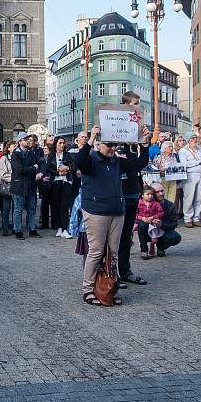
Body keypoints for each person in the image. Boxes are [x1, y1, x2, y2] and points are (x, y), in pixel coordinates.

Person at [78, 124, 151, 306]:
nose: (111, 148)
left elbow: (140, 163)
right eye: (108, 145)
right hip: (96, 211)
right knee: (96, 251)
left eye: (114, 145)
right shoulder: (92, 160)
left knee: (113, 253)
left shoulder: (116, 161)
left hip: (116, 210)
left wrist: (144, 143)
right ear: (99, 144)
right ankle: (88, 289)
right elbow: (80, 161)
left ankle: (109, 286)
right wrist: (91, 139)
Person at [10, 132, 41, 240]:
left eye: (28, 139)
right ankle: (17, 230)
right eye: (25, 139)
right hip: (19, 186)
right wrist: (33, 168)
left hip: (30, 185)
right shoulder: (15, 154)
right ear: (20, 142)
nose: (28, 140)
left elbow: (39, 163)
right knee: (18, 209)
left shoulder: (30, 153)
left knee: (32, 209)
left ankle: (32, 229)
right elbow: (20, 170)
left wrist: (39, 171)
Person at [47, 137, 75, 238]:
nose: (62, 145)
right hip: (55, 181)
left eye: (63, 143)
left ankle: (64, 229)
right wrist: (58, 172)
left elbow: (73, 166)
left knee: (64, 205)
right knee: (56, 205)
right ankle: (59, 227)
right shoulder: (51, 155)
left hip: (66, 181)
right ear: (56, 144)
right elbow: (48, 168)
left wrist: (67, 168)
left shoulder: (68, 155)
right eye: (60, 143)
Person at [178, 132, 201, 227]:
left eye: (195, 138)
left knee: (199, 198)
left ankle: (196, 218)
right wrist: (197, 162)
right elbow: (184, 164)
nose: (194, 140)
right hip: (190, 175)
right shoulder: (183, 151)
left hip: (200, 175)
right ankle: (187, 218)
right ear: (188, 140)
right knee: (189, 198)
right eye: (192, 138)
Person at [148, 182, 182, 256]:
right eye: (157, 192)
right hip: (148, 230)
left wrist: (162, 225)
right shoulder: (146, 204)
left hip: (163, 231)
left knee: (176, 237)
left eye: (162, 191)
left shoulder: (170, 205)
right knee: (141, 226)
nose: (160, 194)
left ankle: (160, 247)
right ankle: (144, 250)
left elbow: (174, 224)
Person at [136, 185, 164, 259]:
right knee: (140, 226)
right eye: (148, 194)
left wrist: (153, 217)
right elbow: (134, 214)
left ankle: (153, 246)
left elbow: (161, 213)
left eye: (151, 194)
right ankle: (144, 250)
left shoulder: (155, 203)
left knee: (154, 239)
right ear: (142, 195)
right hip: (142, 221)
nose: (150, 196)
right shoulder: (139, 203)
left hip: (153, 222)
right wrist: (142, 218)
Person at [0, 141, 14, 236]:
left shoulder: (18, 158)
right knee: (6, 207)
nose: (15, 147)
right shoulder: (3, 158)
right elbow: (2, 174)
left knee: (16, 208)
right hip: (7, 186)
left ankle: (16, 227)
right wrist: (14, 178)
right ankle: (5, 227)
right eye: (13, 146)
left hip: (17, 186)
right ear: (8, 148)